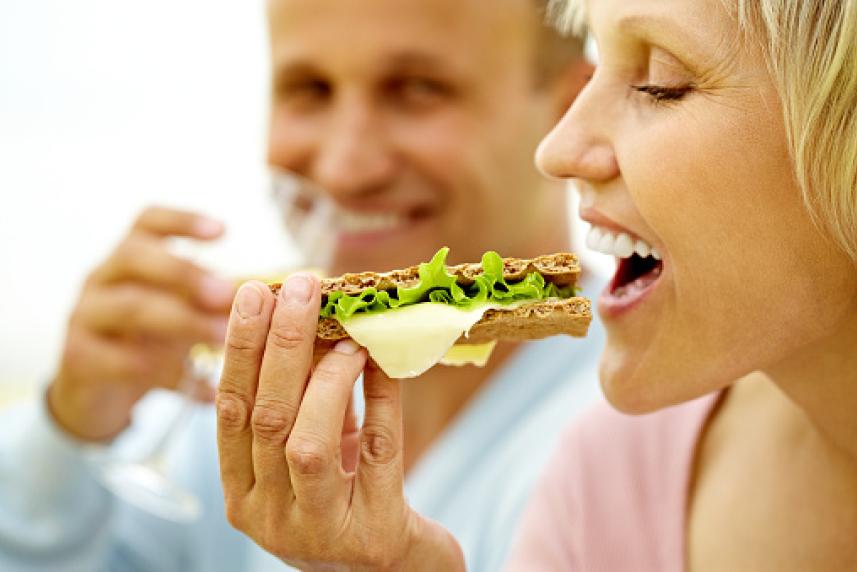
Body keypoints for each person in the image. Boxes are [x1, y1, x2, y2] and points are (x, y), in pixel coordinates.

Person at [214, 0, 857, 569]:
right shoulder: (605, 476)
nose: (558, 149)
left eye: (661, 82)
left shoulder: (564, 442)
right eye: (307, 89)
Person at [0, 0, 598, 570]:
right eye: (310, 89)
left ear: (570, 110)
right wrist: (71, 430)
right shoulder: (240, 415)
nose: (344, 168)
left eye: (419, 89)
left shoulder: (639, 425)